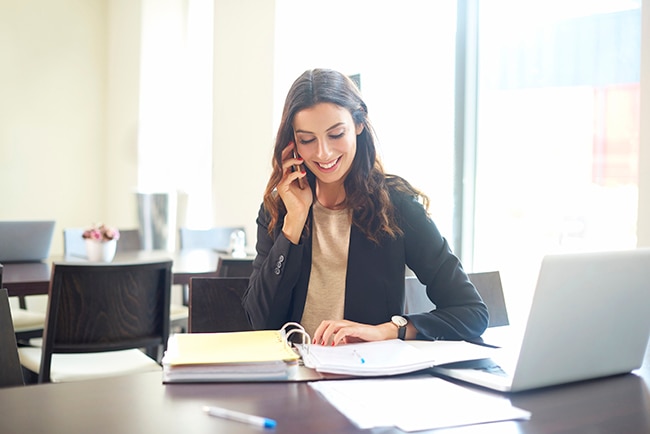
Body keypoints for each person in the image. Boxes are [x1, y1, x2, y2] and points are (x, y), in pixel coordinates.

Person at [242, 68, 488, 346]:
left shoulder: (396, 206)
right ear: (293, 144)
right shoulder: (280, 209)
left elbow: (471, 312)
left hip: (366, 378)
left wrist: (389, 330)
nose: (323, 153)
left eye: (335, 134)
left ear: (359, 124)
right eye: (307, 140)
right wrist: (294, 224)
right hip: (293, 376)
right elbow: (261, 323)